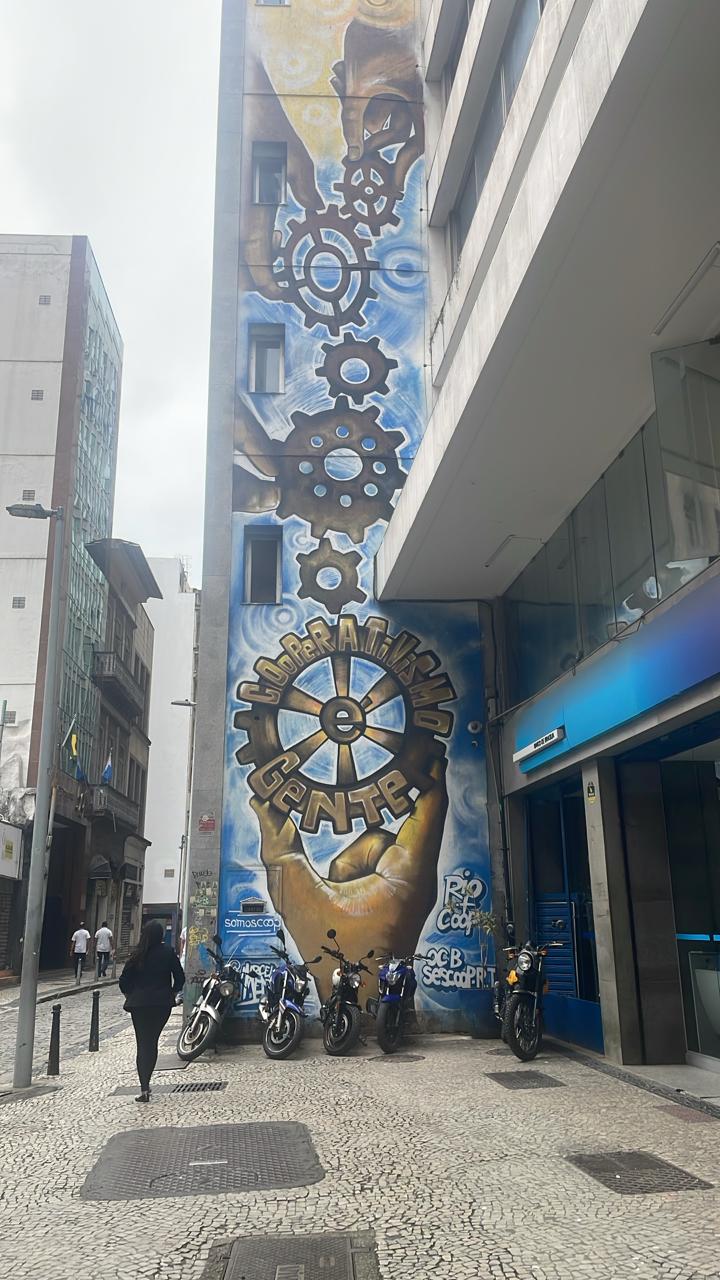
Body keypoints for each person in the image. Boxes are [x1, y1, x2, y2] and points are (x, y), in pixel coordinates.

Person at [119, 919, 185, 1103]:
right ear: (161, 935)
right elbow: (180, 977)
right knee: (152, 1042)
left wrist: (130, 994)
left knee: (143, 1043)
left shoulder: (137, 954)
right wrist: (172, 993)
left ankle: (144, 1087)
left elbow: (124, 980)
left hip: (139, 1004)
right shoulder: (168, 953)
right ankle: (146, 1085)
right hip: (161, 1004)